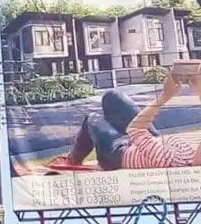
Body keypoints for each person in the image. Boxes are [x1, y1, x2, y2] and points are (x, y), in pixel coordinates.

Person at [64, 73, 201, 171]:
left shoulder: (171, 159)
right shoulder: (193, 151)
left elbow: (134, 129)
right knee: (112, 96)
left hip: (117, 153)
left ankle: (72, 160)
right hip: (149, 142)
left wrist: (166, 96)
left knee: (92, 119)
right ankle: (109, 132)